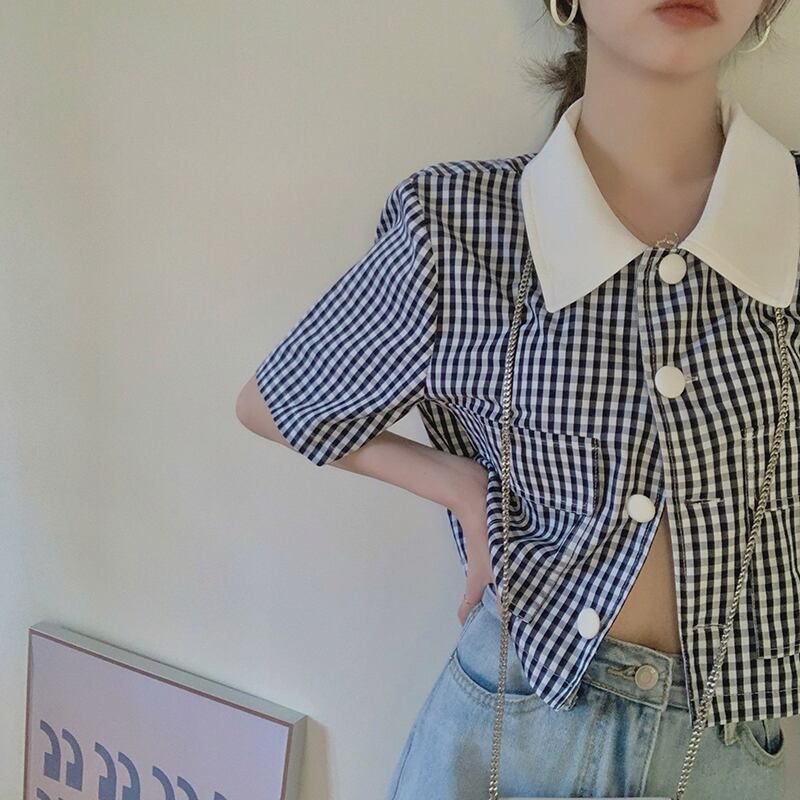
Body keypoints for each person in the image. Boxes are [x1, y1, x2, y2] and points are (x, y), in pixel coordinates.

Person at [236, 1, 797, 797]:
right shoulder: (461, 226)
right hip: (506, 725)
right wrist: (459, 483)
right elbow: (279, 400)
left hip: (724, 748)